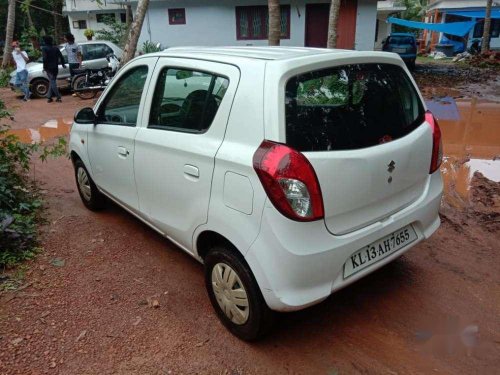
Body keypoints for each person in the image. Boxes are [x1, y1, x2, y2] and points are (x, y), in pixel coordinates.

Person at [42, 36, 66, 103]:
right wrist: (63, 64)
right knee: (52, 81)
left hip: (49, 68)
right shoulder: (55, 48)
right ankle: (49, 97)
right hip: (55, 67)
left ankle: (58, 97)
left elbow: (44, 59)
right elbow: (61, 57)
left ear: (45, 41)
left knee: (52, 82)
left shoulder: (44, 48)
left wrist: (44, 67)